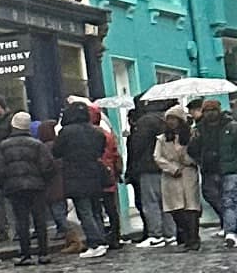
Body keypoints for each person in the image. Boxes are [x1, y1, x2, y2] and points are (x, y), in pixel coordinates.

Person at [0, 109, 63, 262]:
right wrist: (43, 181)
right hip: (36, 187)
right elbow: (48, 166)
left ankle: (25, 254)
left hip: (15, 187)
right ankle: (43, 253)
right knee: (40, 220)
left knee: (21, 220)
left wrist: (6, 183)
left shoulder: (3, 146)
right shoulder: (38, 145)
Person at [55, 98, 118, 254]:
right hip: (94, 172)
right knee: (95, 209)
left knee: (84, 210)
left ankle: (95, 243)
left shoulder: (67, 132)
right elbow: (101, 149)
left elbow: (57, 151)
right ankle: (101, 238)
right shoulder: (96, 131)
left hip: (75, 174)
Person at [126, 97, 173, 250]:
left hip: (148, 166)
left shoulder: (145, 121)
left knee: (151, 202)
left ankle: (156, 235)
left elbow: (137, 146)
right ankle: (170, 233)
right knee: (166, 202)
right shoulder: (166, 118)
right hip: (165, 166)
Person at [158, 107, 206, 249]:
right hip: (171, 176)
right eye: (169, 119)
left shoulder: (192, 135)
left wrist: (190, 160)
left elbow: (198, 152)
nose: (171, 122)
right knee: (175, 208)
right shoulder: (162, 139)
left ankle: (193, 239)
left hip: (188, 174)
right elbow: (158, 156)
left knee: (191, 207)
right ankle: (185, 235)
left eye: (174, 118)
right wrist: (171, 168)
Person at [191, 96, 234, 243]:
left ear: (218, 110)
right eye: (207, 110)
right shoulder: (199, 128)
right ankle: (228, 221)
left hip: (227, 168)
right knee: (211, 195)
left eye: (213, 110)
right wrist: (200, 157)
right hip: (208, 168)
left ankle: (229, 227)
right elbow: (192, 149)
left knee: (228, 198)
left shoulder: (229, 125)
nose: (210, 113)